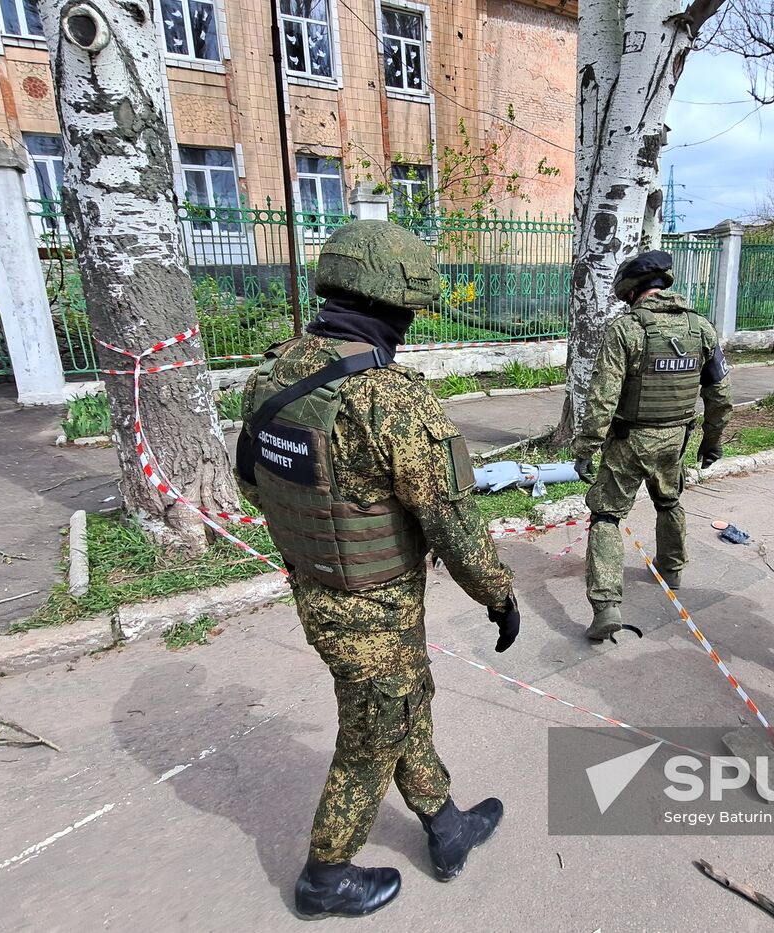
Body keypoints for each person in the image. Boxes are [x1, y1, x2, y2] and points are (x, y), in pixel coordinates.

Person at [235, 220, 521, 918]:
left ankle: (444, 824)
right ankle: (324, 875)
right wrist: (499, 593)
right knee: (374, 733)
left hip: (315, 588)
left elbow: (251, 480)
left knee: (402, 703)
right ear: (393, 304)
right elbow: (452, 524)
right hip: (373, 604)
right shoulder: (390, 399)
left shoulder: (270, 373)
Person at [572, 249, 735, 642]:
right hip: (676, 438)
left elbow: (602, 398)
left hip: (629, 441)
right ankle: (672, 568)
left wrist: (585, 449)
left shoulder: (626, 329)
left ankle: (607, 605)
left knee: (607, 517)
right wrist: (712, 443)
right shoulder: (701, 328)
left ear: (629, 289)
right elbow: (721, 395)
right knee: (669, 500)